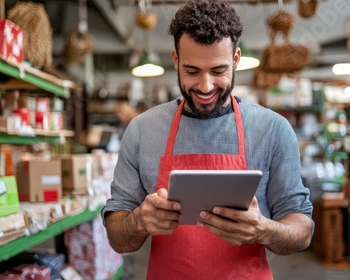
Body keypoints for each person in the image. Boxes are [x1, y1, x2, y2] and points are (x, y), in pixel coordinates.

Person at [102, 1, 314, 279]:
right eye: (192, 71)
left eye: (218, 71)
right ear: (176, 60)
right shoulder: (143, 130)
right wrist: (139, 221)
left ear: (236, 59)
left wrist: (263, 228)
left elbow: (302, 230)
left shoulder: (272, 129)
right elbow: (118, 238)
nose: (205, 86)